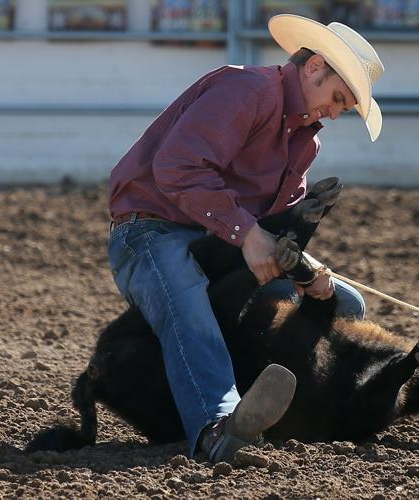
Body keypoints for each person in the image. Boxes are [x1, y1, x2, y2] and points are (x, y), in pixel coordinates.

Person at [105, 14, 385, 463]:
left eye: (344, 107)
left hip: (221, 240)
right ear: (314, 67)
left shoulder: (304, 140)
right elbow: (178, 168)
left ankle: (297, 409)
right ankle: (218, 428)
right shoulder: (246, 90)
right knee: (186, 297)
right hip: (151, 228)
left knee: (346, 304)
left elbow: (271, 221)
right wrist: (247, 233)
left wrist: (303, 269)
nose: (335, 112)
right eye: (337, 98)